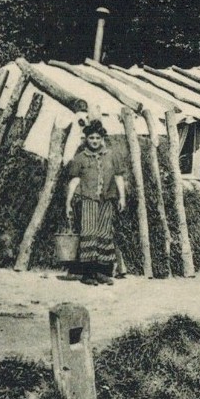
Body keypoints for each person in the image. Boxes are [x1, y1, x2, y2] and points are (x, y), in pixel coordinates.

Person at [65, 119, 127, 285]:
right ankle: (88, 274)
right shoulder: (80, 158)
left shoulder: (112, 155)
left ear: (102, 139)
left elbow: (119, 177)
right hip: (88, 200)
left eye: (97, 138)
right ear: (86, 139)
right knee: (89, 233)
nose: (94, 141)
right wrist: (68, 202)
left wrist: (122, 197)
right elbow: (74, 181)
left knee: (104, 234)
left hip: (108, 199)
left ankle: (101, 272)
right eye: (91, 138)